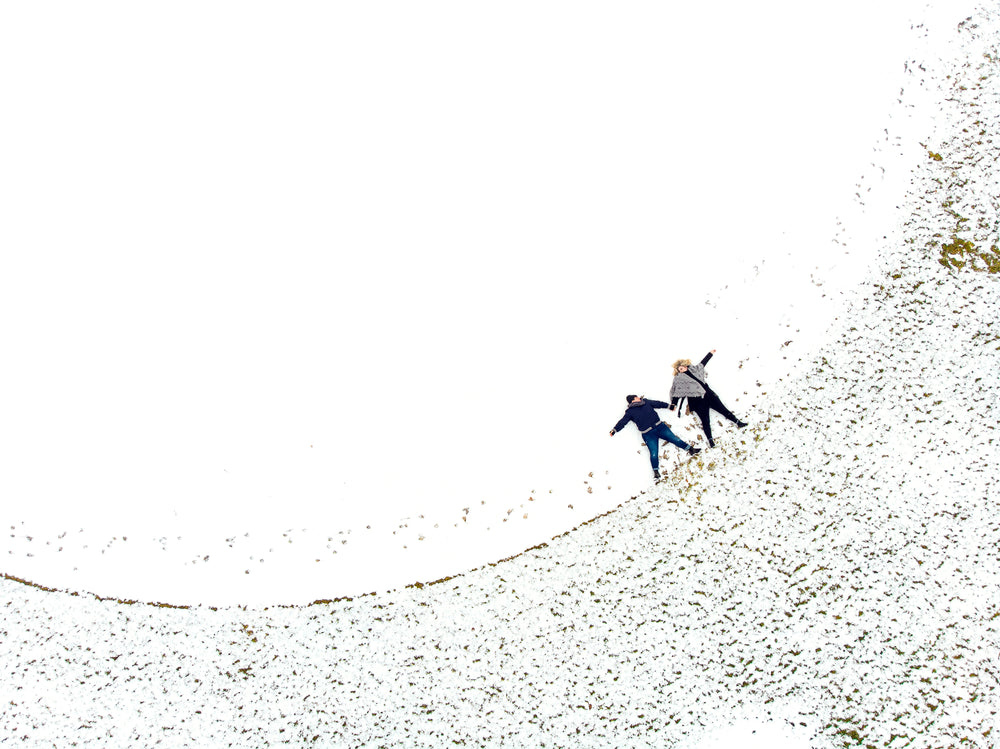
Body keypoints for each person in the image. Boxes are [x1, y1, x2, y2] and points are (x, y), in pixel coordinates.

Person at [669, 349, 747, 448]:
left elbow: (703, 363)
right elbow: (677, 392)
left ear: (686, 366)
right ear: (678, 371)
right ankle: (710, 440)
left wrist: (710, 354)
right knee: (705, 420)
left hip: (709, 395)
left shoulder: (695, 370)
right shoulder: (679, 379)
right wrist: (673, 404)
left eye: (683, 367)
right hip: (697, 401)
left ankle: (738, 422)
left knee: (723, 409)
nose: (682, 369)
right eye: (679, 369)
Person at [610, 395, 700, 480]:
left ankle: (691, 449)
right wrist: (615, 430)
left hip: (660, 427)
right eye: (636, 397)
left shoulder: (645, 402)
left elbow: (658, 403)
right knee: (654, 452)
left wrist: (669, 406)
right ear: (633, 400)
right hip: (648, 434)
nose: (639, 397)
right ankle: (656, 472)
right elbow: (623, 422)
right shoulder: (630, 412)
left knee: (675, 439)